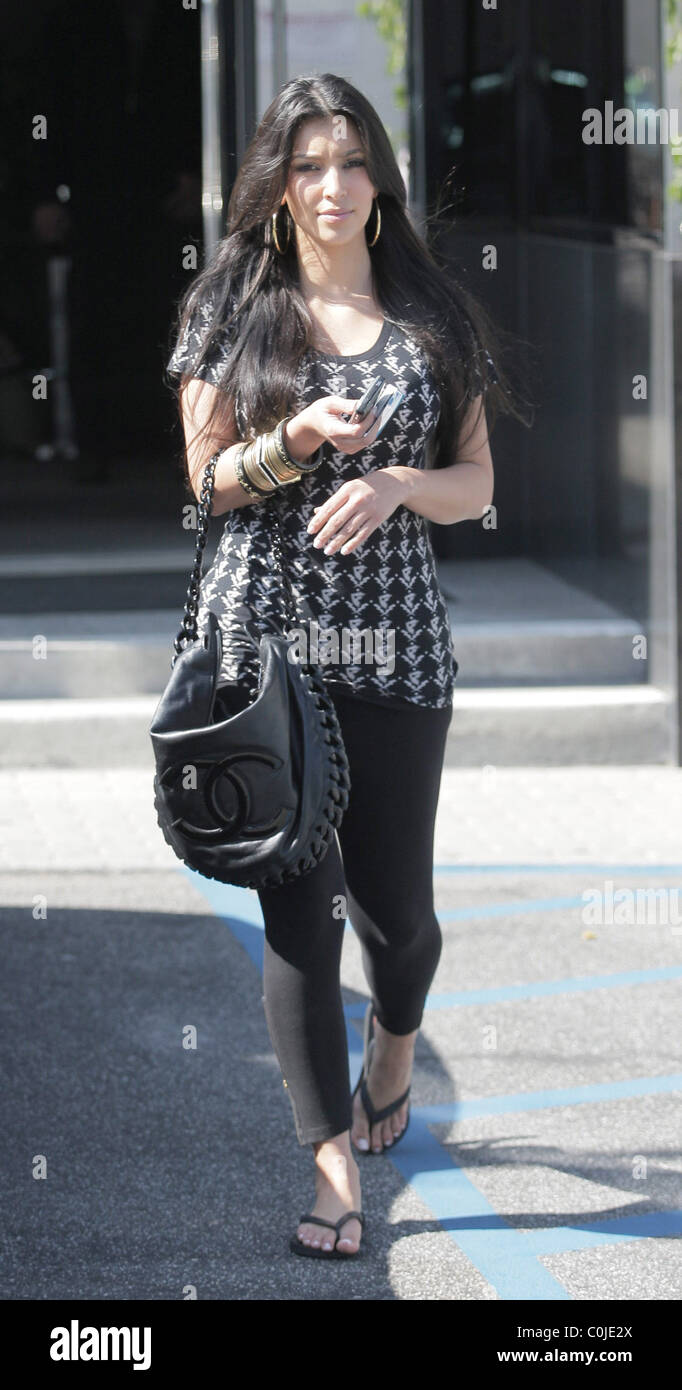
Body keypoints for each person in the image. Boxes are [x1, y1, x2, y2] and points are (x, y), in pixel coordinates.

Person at [166, 73, 524, 1262]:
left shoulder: (430, 311)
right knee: (299, 919)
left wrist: (397, 483)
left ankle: (397, 1042)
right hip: (262, 648)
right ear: (275, 185)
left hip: (394, 649)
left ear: (379, 179)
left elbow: (474, 485)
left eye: (350, 161)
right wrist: (297, 443)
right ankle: (332, 1176)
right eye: (307, 164)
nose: (330, 186)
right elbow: (206, 480)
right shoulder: (233, 304)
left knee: (398, 918)